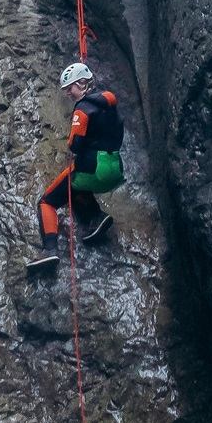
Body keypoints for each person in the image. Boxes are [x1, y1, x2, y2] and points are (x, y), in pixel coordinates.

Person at [28, 61, 125, 273]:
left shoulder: (82, 110)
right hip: (115, 168)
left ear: (81, 83)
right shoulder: (110, 102)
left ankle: (50, 250)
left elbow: (75, 144)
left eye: (69, 88)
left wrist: (74, 140)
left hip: (93, 168)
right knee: (76, 186)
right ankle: (96, 217)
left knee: (47, 201)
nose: (68, 93)